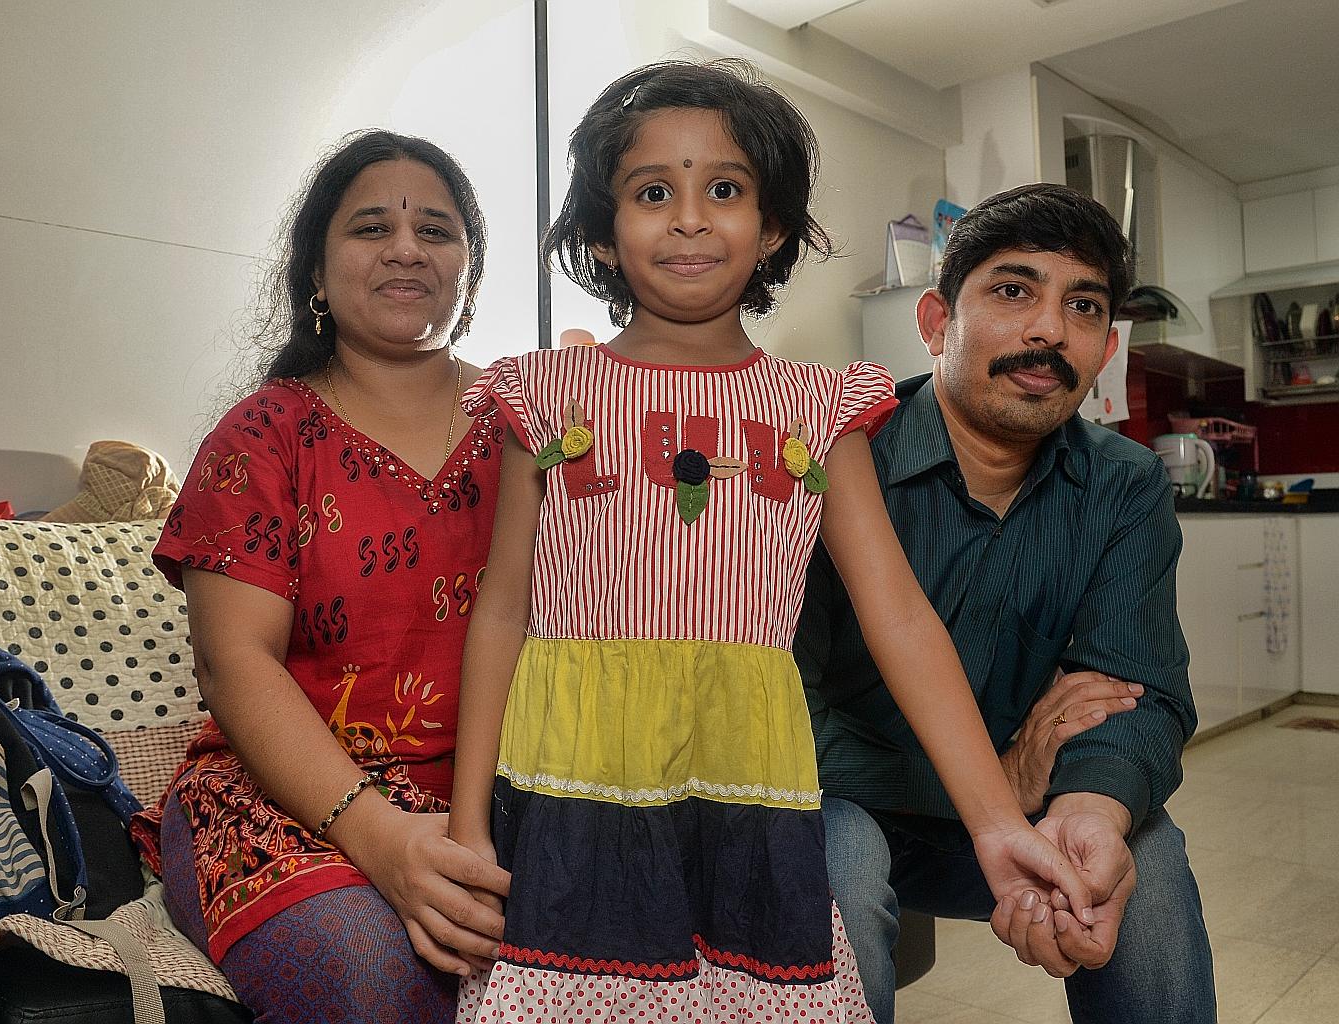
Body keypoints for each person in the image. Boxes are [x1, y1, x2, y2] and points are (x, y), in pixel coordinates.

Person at [447, 61, 1097, 1024]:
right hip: (571, 787)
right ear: (601, 231)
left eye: (725, 190)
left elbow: (898, 616)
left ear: (774, 226)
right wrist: (468, 824)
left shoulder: (816, 408)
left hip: (748, 790)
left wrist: (997, 824)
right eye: (652, 193)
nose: (689, 219)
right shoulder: (544, 395)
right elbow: (502, 613)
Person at [794, 182, 1215, 1023]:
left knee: (1143, 852)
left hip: (1019, 818)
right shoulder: (835, 457)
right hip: (840, 806)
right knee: (835, 857)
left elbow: (1140, 691)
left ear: (1105, 347)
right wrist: (1000, 779)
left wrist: (1086, 804)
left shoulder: (1124, 485)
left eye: (1083, 306)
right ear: (935, 322)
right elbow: (773, 706)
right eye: (1014, 290)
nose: (1050, 330)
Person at [129, 130, 512, 1024]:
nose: (407, 248)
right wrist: (382, 839)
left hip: (495, 795)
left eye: (436, 230)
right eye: (372, 228)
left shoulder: (530, 427)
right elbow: (234, 664)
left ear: (468, 270)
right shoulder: (263, 435)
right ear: (316, 271)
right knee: (369, 972)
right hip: (291, 797)